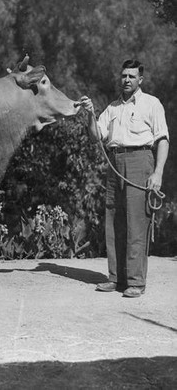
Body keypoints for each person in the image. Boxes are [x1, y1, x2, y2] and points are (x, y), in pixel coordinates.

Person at [80, 59, 169, 298]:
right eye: (124, 76)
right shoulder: (112, 108)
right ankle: (115, 278)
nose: (127, 80)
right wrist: (90, 114)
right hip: (115, 164)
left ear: (140, 79)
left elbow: (162, 139)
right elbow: (96, 136)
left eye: (131, 76)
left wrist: (157, 172)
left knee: (137, 222)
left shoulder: (152, 104)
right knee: (114, 220)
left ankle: (136, 282)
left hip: (141, 161)